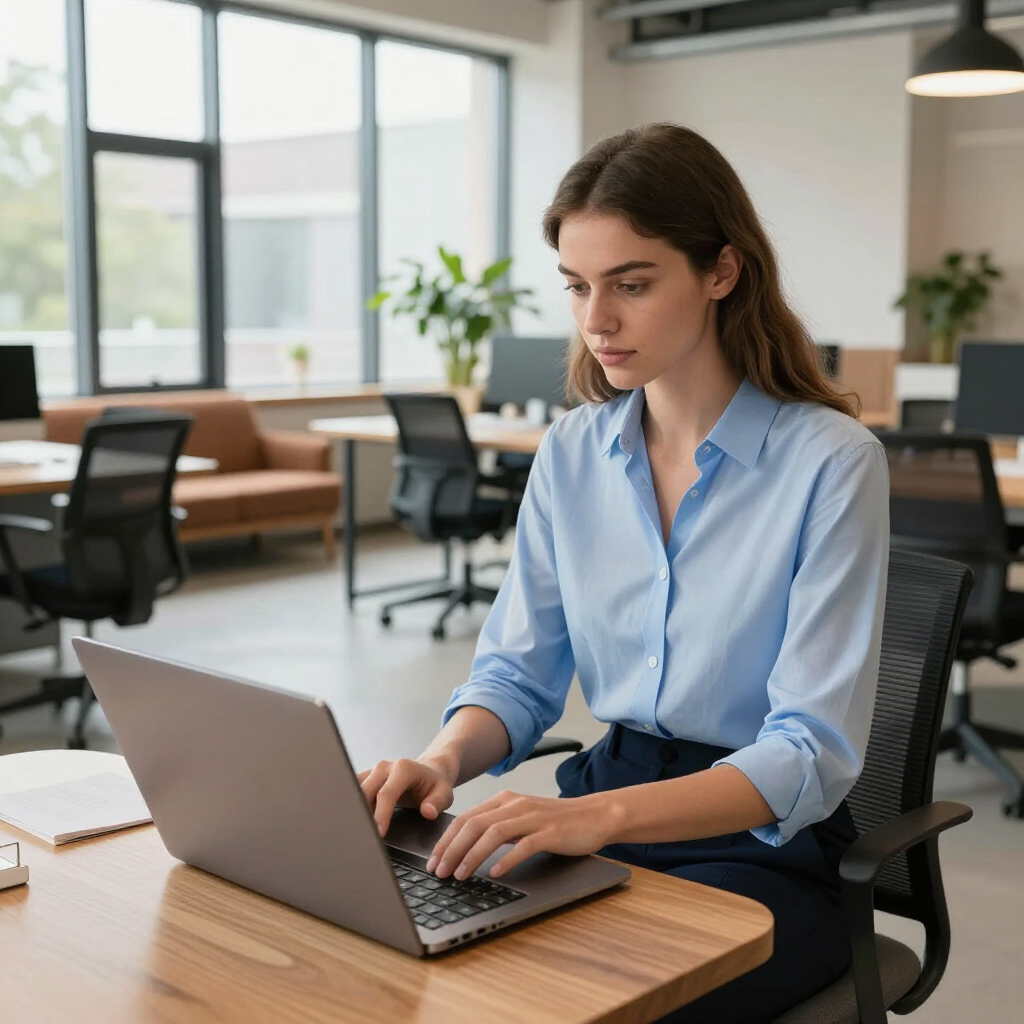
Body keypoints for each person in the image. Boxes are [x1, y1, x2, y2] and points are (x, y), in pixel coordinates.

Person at [359, 123, 889, 1024]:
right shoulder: (571, 453)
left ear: (722, 271)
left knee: (606, 1006)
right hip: (607, 796)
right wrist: (443, 759)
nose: (596, 320)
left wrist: (597, 821)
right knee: (425, 960)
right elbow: (518, 679)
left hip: (762, 842)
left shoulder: (831, 462)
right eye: (577, 288)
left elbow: (808, 752)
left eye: (631, 285)